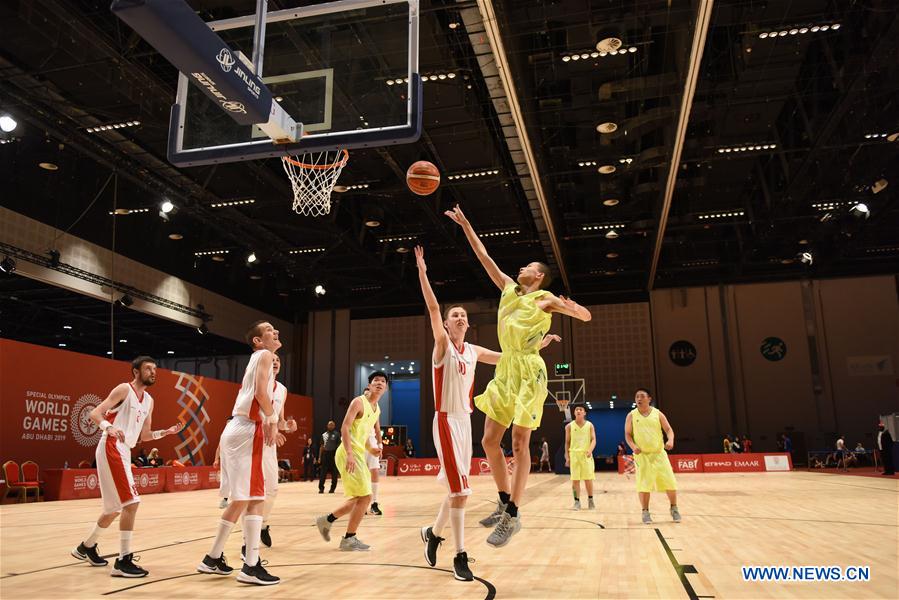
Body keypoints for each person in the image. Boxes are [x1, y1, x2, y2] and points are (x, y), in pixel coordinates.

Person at [447, 200, 592, 548]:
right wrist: (466, 226)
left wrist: (575, 309)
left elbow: (585, 317)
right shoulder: (509, 289)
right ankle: (502, 500)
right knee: (489, 440)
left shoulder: (544, 299)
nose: (521, 267)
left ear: (538, 275)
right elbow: (484, 257)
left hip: (529, 370)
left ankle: (512, 515)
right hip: (507, 368)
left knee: (519, 442)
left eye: (528, 266)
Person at [414, 246, 557, 579]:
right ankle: (460, 556)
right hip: (446, 420)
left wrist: (537, 345)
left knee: (458, 487)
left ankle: (432, 533)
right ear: (446, 324)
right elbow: (433, 307)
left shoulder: (473, 351)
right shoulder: (442, 345)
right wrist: (422, 271)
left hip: (464, 422)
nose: (460, 318)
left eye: (464, 315)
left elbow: (510, 357)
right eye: (455, 315)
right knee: (461, 491)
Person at [71, 356, 182, 577]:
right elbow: (95, 412)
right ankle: (123, 561)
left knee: (113, 509)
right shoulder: (124, 389)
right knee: (131, 503)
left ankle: (86, 547)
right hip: (111, 445)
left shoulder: (149, 400)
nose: (153, 372)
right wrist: (108, 427)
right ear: (136, 372)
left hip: (124, 448)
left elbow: (145, 436)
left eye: (155, 369)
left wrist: (165, 433)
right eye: (148, 369)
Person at [196, 321, 281, 585]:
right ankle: (251, 566)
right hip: (247, 429)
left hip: (237, 428)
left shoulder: (259, 358)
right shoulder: (264, 355)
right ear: (258, 340)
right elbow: (260, 395)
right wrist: (272, 420)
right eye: (269, 329)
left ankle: (212, 557)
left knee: (242, 499)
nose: (276, 332)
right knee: (256, 497)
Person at [315, 371, 386, 551]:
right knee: (366, 497)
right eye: (376, 380)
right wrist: (349, 454)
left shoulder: (377, 409)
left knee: (360, 498)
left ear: (385, 388)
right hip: (348, 453)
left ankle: (327, 520)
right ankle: (348, 538)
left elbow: (364, 434)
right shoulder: (358, 402)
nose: (379, 383)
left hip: (359, 453)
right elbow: (345, 427)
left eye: (383, 381)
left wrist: (372, 449)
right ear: (369, 385)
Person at [256, 354, 297, 549]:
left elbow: (279, 421)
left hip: (269, 444)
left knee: (272, 489)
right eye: (271, 359)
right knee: (252, 492)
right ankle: (247, 542)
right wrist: (266, 425)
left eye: (278, 360)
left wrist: (287, 425)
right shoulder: (257, 383)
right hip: (251, 439)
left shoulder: (282, 389)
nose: (275, 362)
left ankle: (263, 524)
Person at [624, 388, 680, 524]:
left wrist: (670, 440)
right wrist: (633, 446)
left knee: (670, 482)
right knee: (643, 485)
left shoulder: (657, 413)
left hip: (659, 454)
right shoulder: (631, 415)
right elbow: (628, 435)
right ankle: (645, 511)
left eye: (642, 396)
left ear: (649, 399)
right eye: (637, 396)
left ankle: (674, 508)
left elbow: (669, 429)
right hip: (642, 456)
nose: (639, 399)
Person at [565, 406, 596, 510]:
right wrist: (567, 456)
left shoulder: (589, 425)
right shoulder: (569, 426)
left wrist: (590, 450)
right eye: (576, 409)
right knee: (575, 480)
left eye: (581, 409)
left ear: (584, 413)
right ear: (574, 413)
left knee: (588, 479)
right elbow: (567, 442)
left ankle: (590, 500)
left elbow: (593, 439)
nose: (578, 411)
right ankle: (576, 501)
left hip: (586, 454)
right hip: (574, 455)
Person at [363, 387, 384, 516]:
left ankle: (374, 503)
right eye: (365, 394)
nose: (367, 396)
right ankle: (362, 503)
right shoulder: (359, 407)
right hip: (360, 441)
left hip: (371, 440)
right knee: (363, 474)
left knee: (375, 470)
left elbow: (377, 427)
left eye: (368, 394)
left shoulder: (376, 408)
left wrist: (380, 444)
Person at [319, 420, 341, 494]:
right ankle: (321, 488)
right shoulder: (324, 435)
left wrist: (337, 456)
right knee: (323, 473)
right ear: (327, 426)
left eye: (332, 425)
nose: (330, 426)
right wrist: (319, 457)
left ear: (334, 426)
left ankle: (332, 489)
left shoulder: (337, 434)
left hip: (333, 455)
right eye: (329, 425)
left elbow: (339, 446)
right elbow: (321, 447)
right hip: (325, 455)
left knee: (334, 473)